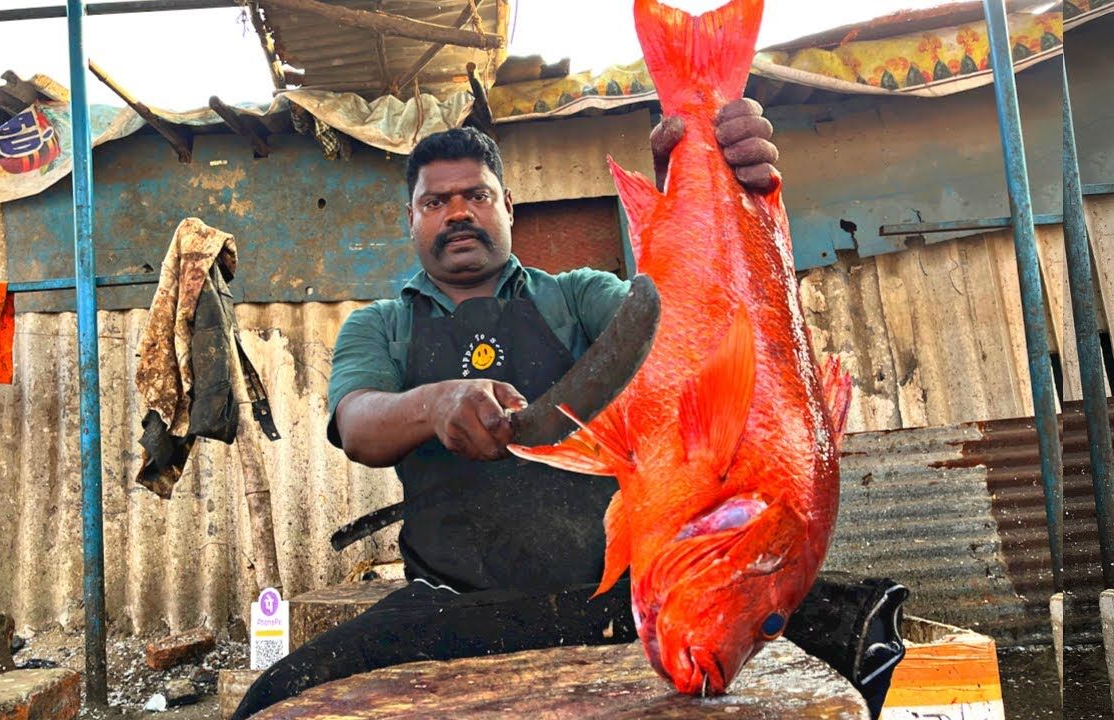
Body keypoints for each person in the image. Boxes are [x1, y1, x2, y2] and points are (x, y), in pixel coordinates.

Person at [233, 100, 906, 719]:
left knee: (847, 624)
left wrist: (704, 198)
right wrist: (434, 403)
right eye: (436, 201)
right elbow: (357, 424)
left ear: (509, 207)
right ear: (412, 218)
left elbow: (691, 333)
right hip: (452, 607)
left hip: (608, 596)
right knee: (274, 696)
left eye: (476, 195)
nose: (458, 212)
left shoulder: (581, 296)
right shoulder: (378, 326)